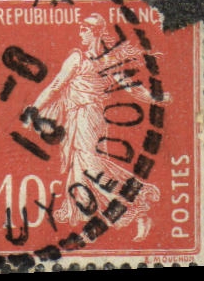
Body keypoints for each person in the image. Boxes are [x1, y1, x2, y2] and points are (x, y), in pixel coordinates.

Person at [30, 14, 159, 237]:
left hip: (88, 117)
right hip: (82, 117)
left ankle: (138, 206)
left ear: (95, 32)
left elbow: (57, 86)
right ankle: (80, 213)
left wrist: (34, 109)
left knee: (90, 166)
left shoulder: (85, 59)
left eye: (84, 30)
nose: (80, 33)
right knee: (80, 166)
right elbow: (58, 85)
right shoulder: (100, 59)